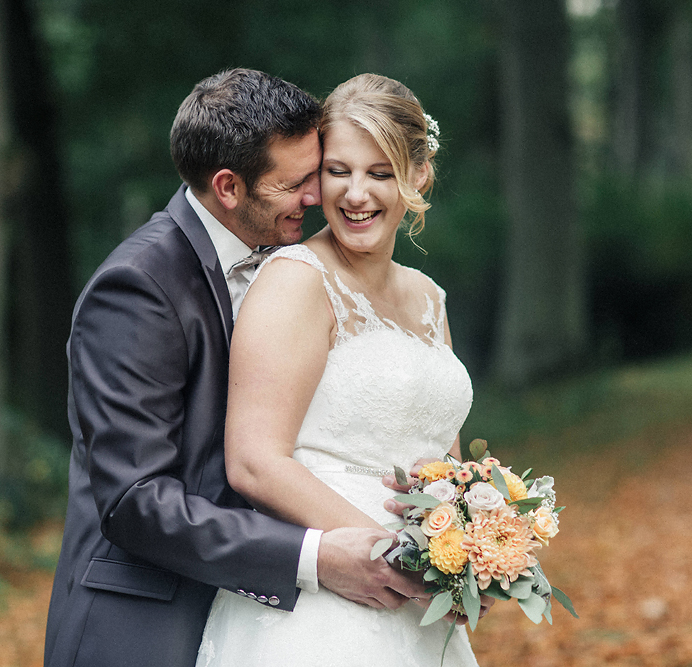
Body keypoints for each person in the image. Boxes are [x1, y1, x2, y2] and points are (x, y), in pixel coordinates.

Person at [43, 69, 430, 667]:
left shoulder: (294, 262)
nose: (317, 198)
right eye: (298, 182)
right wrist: (313, 555)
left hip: (270, 615)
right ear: (228, 187)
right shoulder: (138, 286)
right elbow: (135, 500)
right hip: (145, 624)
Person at [195, 73, 481, 666]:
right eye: (338, 171)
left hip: (421, 607)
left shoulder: (430, 298)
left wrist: (475, 542)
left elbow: (440, 455)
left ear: (418, 175)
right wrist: (397, 556)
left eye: (380, 173)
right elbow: (253, 461)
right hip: (327, 598)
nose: (356, 194)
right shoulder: (296, 279)